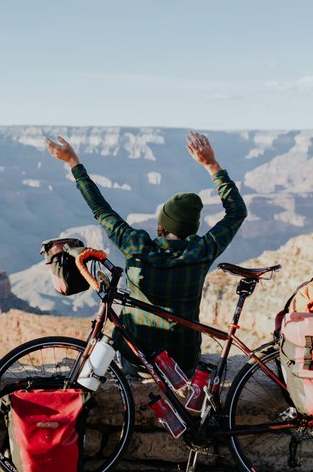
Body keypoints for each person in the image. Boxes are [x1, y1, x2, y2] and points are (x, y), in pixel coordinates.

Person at [45, 131, 246, 374]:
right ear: (192, 229)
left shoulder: (135, 245)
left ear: (161, 225)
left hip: (136, 359)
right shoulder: (201, 251)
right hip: (182, 362)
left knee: (117, 334)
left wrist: (73, 162)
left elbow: (101, 209)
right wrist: (212, 165)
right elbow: (237, 212)